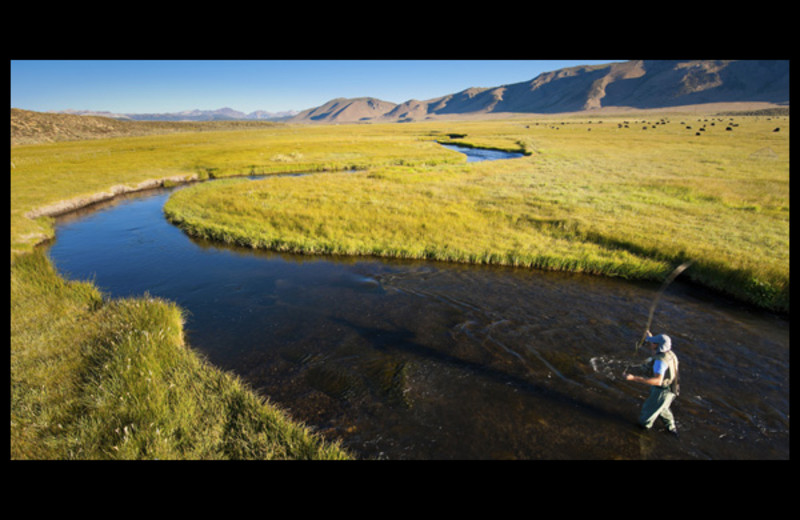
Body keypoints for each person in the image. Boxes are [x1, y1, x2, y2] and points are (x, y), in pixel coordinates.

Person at [624, 331, 680, 436]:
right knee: (662, 408)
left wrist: (633, 378)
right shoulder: (670, 353)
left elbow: (658, 381)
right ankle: (672, 429)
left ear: (657, 345)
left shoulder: (660, 363)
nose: (651, 344)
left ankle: (642, 435)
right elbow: (656, 353)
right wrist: (650, 338)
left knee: (645, 419)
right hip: (673, 388)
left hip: (662, 392)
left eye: (653, 342)